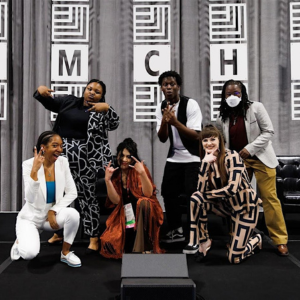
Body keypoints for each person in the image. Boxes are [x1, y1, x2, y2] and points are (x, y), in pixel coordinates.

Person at [34, 79, 120, 253]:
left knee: (87, 197)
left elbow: (114, 124)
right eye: (89, 89)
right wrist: (40, 90)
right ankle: (58, 232)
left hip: (85, 159)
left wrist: (108, 108)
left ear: (102, 95)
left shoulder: (101, 110)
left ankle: (93, 236)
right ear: (84, 90)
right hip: (60, 156)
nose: (92, 93)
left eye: (97, 91)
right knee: (57, 195)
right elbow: (47, 100)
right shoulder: (69, 102)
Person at [216, 79, 289, 256]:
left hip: (261, 158)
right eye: (229, 93)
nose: (233, 96)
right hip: (239, 162)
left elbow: (269, 131)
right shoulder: (222, 117)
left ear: (243, 94)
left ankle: (280, 240)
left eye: (236, 93)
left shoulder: (256, 108)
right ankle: (239, 237)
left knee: (270, 198)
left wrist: (249, 149)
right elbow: (223, 142)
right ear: (224, 96)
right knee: (239, 200)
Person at [184, 125, 262, 264]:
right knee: (195, 198)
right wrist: (204, 165)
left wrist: (207, 194)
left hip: (245, 208)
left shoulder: (233, 157)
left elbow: (232, 189)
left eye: (213, 139)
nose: (209, 143)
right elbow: (200, 191)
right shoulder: (206, 160)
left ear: (220, 140)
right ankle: (204, 241)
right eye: (205, 140)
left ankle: (256, 240)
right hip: (227, 206)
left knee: (234, 258)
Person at [10, 131, 81, 267]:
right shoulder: (28, 164)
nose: (59, 150)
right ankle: (20, 241)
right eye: (55, 146)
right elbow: (30, 199)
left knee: (73, 215)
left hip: (51, 217)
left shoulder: (62, 162)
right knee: (29, 254)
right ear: (43, 147)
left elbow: (72, 193)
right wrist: (34, 172)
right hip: (31, 217)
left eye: (61, 146)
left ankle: (65, 253)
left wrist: (53, 210)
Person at [155, 70, 202, 243]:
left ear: (178, 87)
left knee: (192, 195)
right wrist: (165, 123)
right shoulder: (161, 107)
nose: (168, 87)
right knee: (168, 192)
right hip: (174, 157)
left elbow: (196, 135)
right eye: (165, 85)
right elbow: (162, 138)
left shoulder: (190, 105)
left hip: (193, 158)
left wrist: (175, 122)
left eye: (172, 84)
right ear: (161, 88)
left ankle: (196, 232)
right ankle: (176, 229)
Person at [100, 138, 164, 259]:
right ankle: (135, 246)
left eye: (128, 157)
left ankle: (143, 248)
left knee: (144, 202)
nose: (124, 160)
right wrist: (107, 180)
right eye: (122, 156)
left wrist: (142, 174)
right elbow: (116, 201)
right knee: (109, 242)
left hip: (145, 213)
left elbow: (149, 194)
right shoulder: (115, 173)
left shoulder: (139, 169)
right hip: (125, 214)